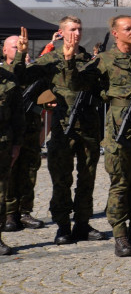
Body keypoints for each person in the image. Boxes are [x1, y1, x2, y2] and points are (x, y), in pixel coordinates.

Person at [68, 15, 131, 257]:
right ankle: (120, 235)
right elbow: (77, 83)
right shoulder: (105, 60)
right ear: (115, 33)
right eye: (128, 29)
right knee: (120, 183)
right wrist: (69, 59)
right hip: (119, 128)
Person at [22, 17, 108, 244]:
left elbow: (94, 87)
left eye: (79, 29)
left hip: (88, 126)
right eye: (71, 29)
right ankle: (62, 226)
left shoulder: (92, 60)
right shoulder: (51, 59)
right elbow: (24, 82)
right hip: (63, 127)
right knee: (61, 179)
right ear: (61, 32)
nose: (76, 33)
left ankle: (82, 223)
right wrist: (43, 99)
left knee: (87, 179)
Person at [2, 33, 44, 233]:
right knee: (9, 174)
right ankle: (10, 213)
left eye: (21, 46)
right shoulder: (5, 73)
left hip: (31, 129)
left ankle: (24, 211)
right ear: (4, 51)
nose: (19, 49)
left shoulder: (31, 72)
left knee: (29, 172)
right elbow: (15, 76)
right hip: (9, 133)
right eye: (14, 47)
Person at [0, 29, 27, 254]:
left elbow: (18, 115)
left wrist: (17, 144)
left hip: (4, 143)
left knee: (1, 191)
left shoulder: (8, 80)